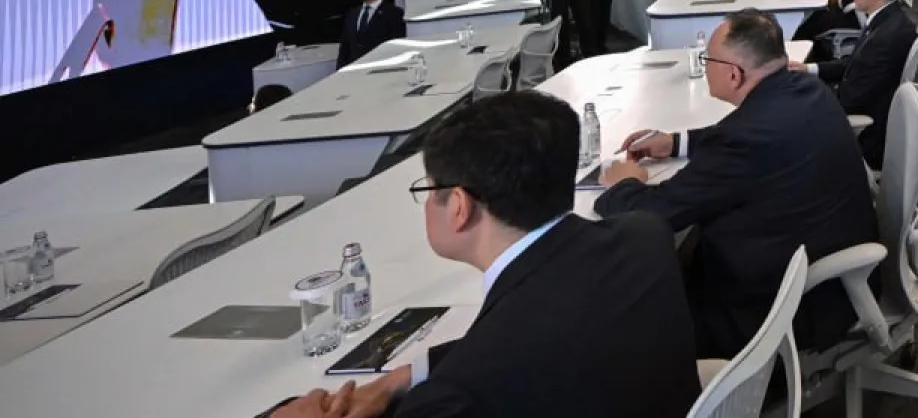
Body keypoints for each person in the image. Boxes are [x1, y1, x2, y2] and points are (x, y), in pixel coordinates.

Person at [270, 92, 701, 418]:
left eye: (429, 190)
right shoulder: (644, 236)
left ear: (459, 206)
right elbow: (524, 342)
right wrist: (402, 376)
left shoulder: (459, 394)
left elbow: (501, 355)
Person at [597, 10, 879, 360]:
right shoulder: (806, 89)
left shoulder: (743, 141)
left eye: (708, 60)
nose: (705, 67)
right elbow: (745, 132)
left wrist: (623, 183)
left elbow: (655, 213)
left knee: (629, 320)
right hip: (834, 277)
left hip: (784, 308)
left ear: (733, 74)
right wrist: (676, 142)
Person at [796, 0, 913, 169]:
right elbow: (853, 64)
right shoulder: (887, 20)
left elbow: (849, 100)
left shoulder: (885, 39)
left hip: (864, 139)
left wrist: (802, 92)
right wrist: (808, 69)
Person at [338, 0, 405, 67]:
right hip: (354, 67)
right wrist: (340, 68)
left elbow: (396, 42)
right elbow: (345, 45)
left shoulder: (393, 12)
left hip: (380, 65)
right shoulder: (352, 13)